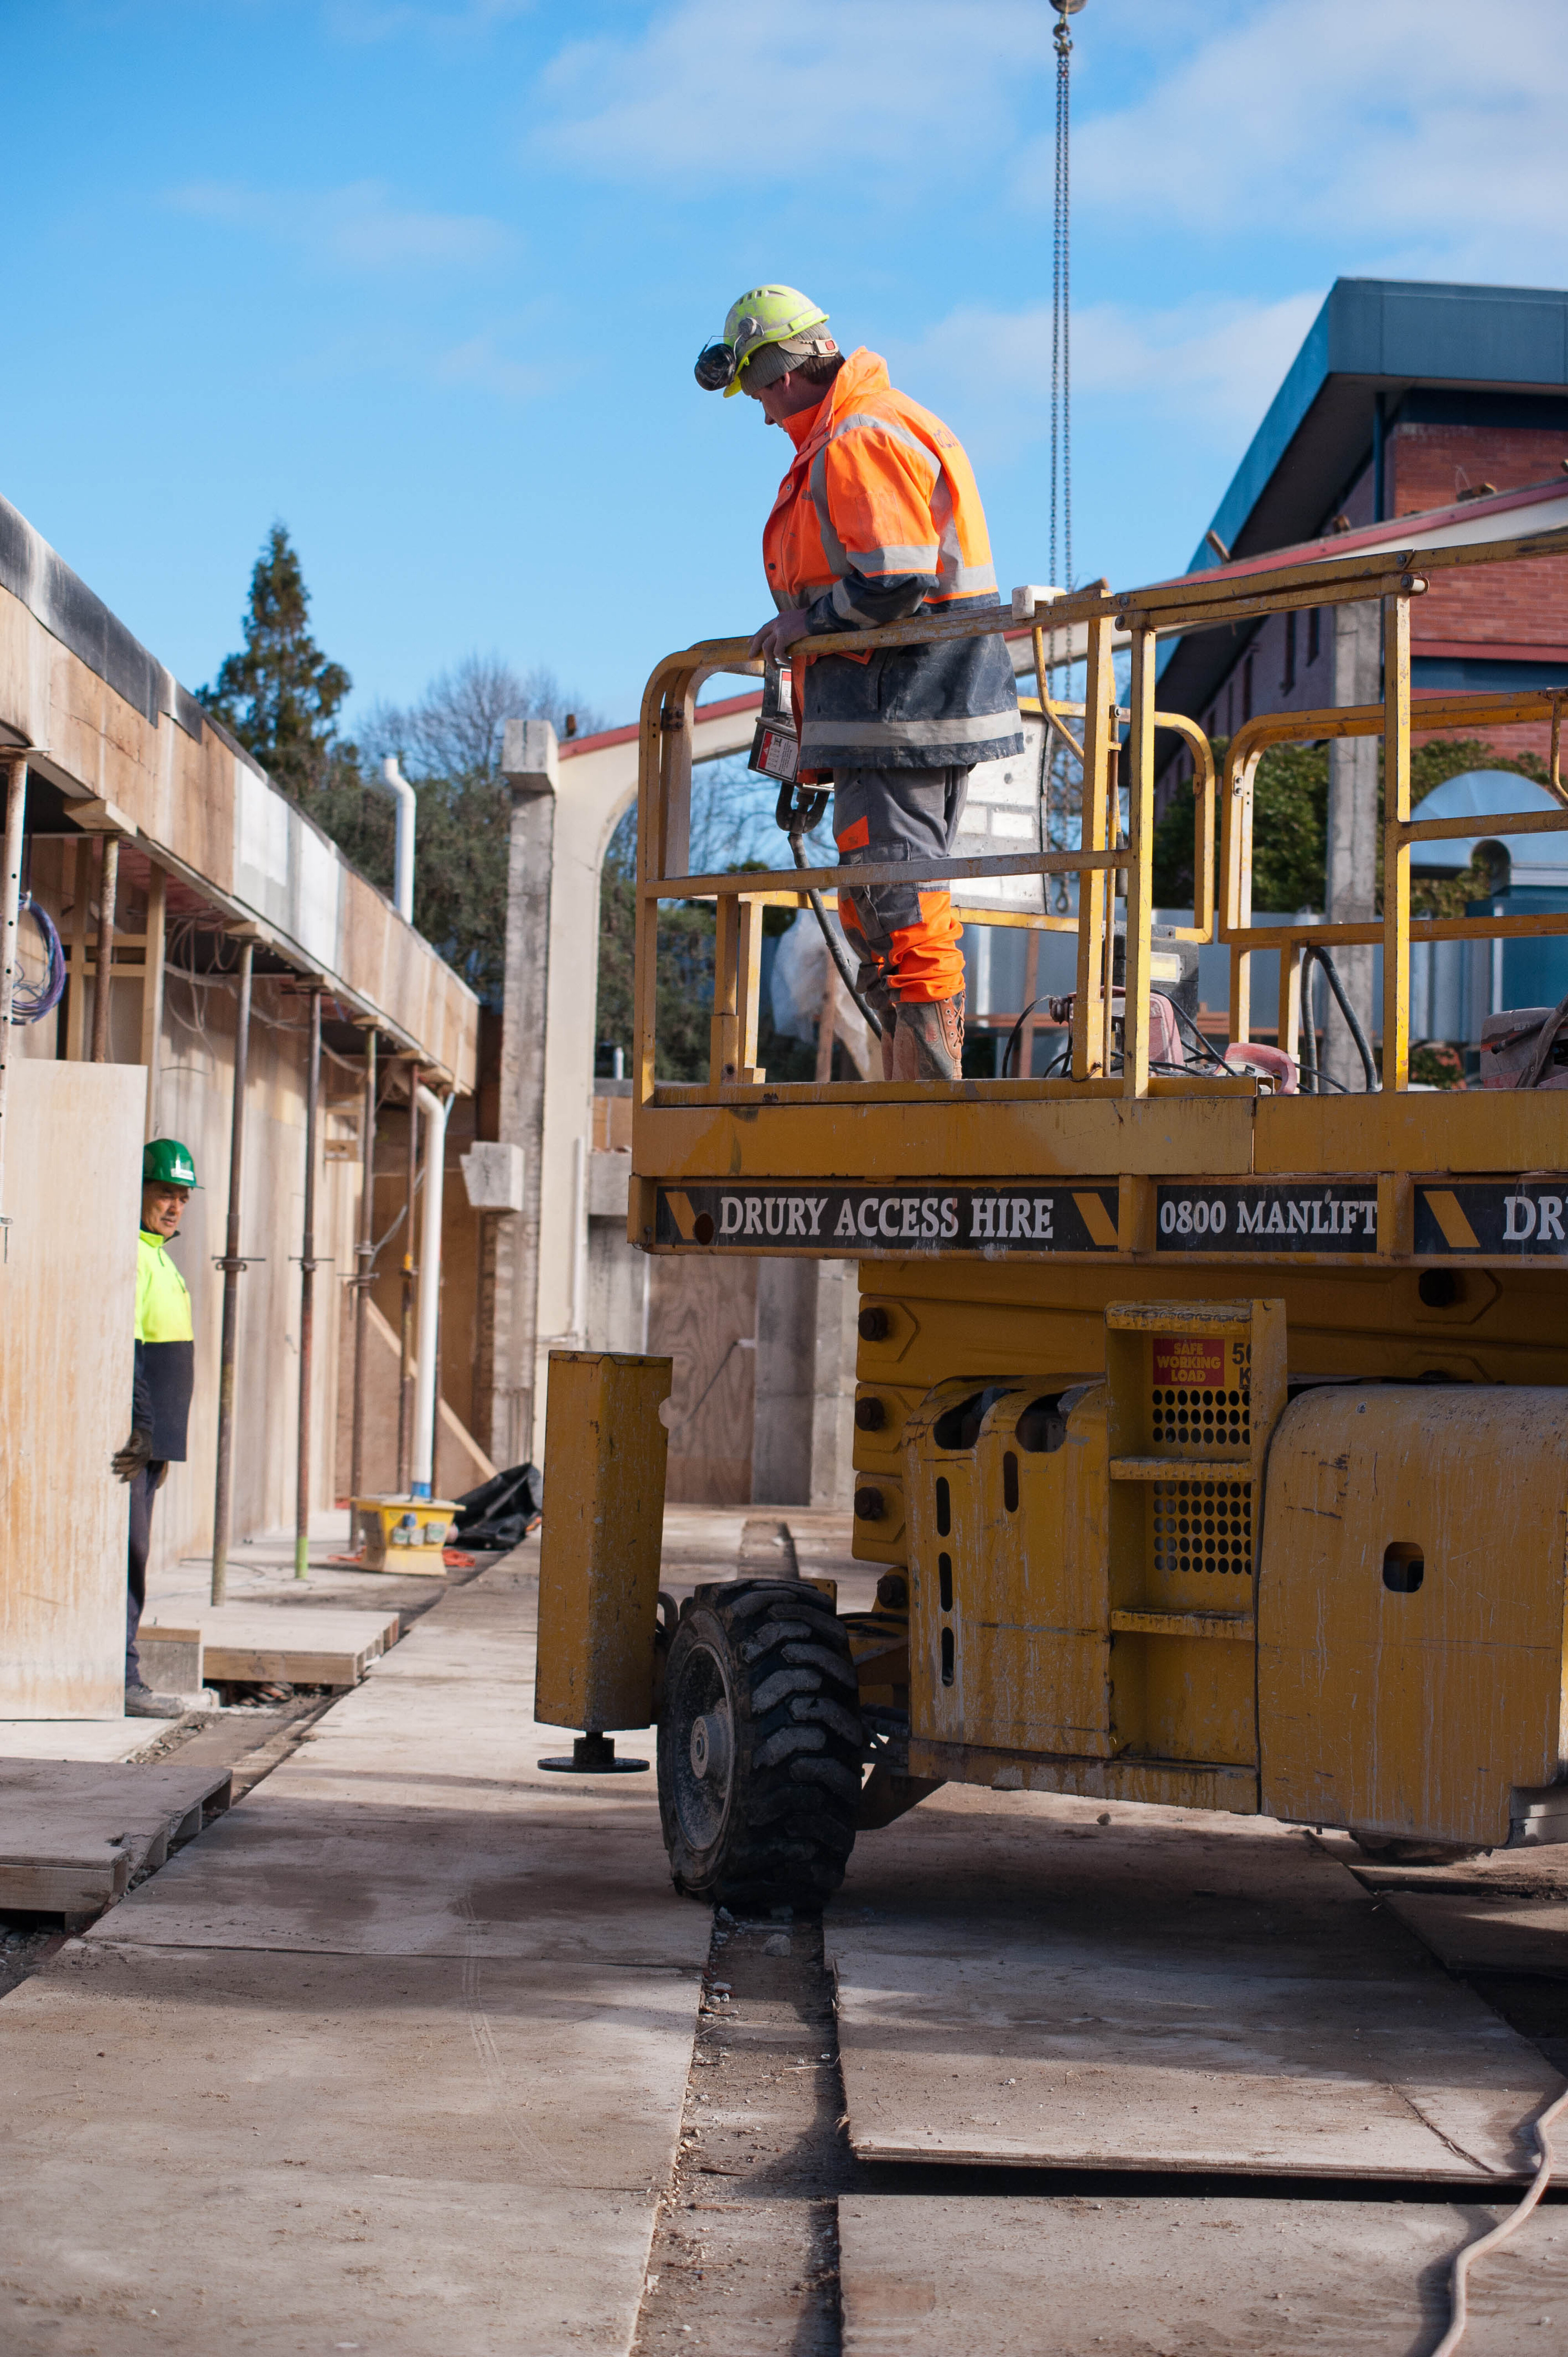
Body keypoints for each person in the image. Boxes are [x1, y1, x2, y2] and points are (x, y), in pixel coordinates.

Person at [696, 285, 1023, 1081]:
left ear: (777, 376)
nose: (763, 417)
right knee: (872, 899)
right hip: (890, 705)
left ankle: (929, 1095)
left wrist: (806, 624)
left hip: (902, 707)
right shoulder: (860, 425)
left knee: (896, 896)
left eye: (757, 396)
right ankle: (907, 1075)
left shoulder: (858, 434)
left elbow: (895, 578)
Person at [113, 1139, 200, 1717]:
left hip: (153, 1445)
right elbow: (130, 1352)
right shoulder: (135, 1258)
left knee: (135, 1557)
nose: (175, 1207)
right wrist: (144, 1432)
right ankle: (123, 1680)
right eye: (165, 1193)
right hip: (135, 1445)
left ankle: (122, 1675)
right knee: (127, 1557)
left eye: (183, 1197)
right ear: (140, 1191)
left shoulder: (161, 1257)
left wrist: (161, 1445)